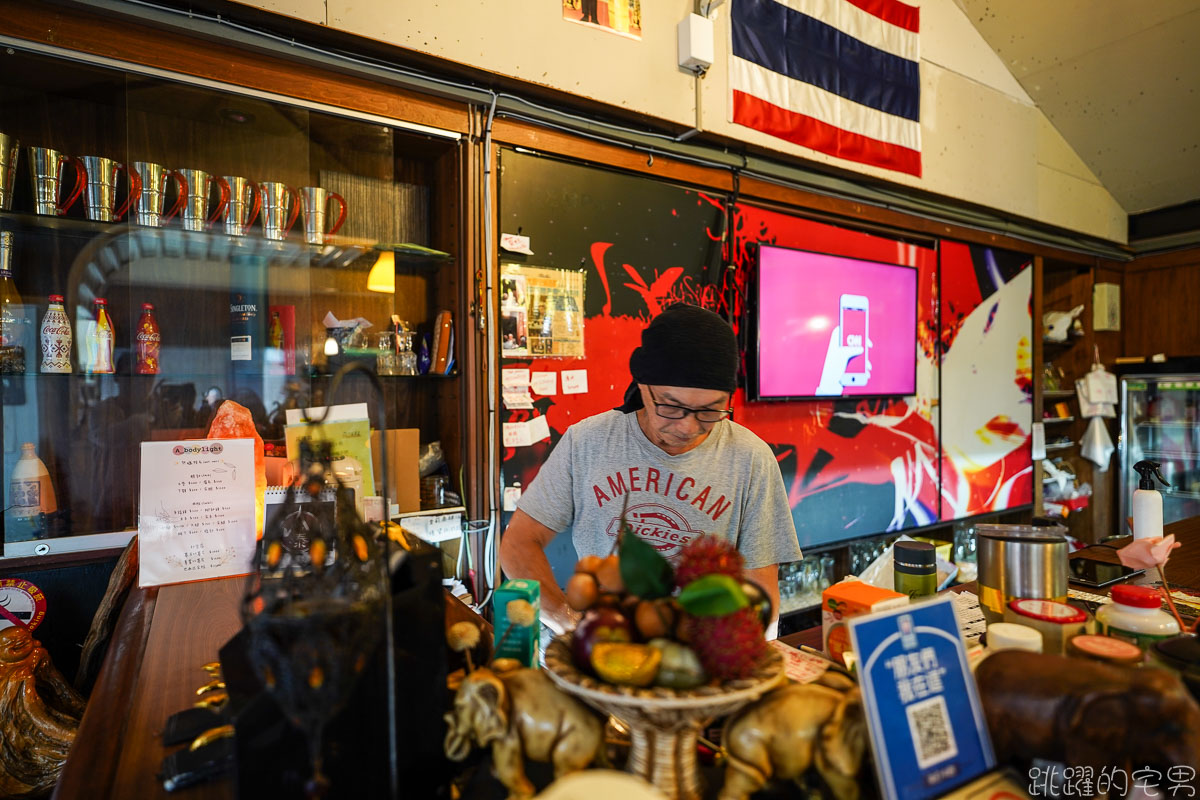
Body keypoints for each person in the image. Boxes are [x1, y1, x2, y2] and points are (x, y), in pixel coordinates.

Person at [499, 304, 802, 635]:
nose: (688, 427)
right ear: (642, 386)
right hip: (603, 642)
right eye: (671, 406)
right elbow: (518, 543)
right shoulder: (587, 442)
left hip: (699, 660)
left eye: (710, 411)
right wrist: (569, 625)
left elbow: (762, 600)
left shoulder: (751, 459)